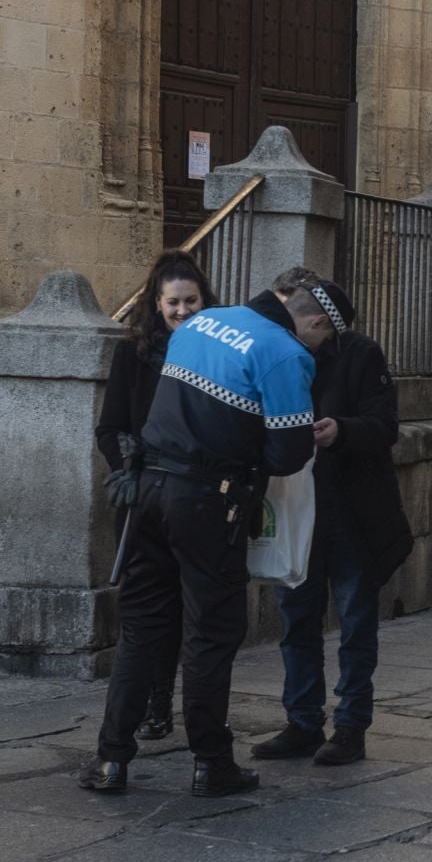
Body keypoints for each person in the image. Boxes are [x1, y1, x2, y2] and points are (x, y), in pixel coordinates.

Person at [81, 279, 331, 798]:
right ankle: (212, 762)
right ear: (315, 324)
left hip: (148, 488)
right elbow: (288, 454)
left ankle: (110, 759)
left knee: (142, 628)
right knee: (211, 634)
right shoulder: (284, 353)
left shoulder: (203, 323)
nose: (318, 351)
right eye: (323, 340)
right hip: (207, 501)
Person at [250, 270, 412, 769]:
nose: (321, 343)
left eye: (323, 335)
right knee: (296, 618)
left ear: (323, 322)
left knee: (356, 621)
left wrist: (340, 430)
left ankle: (350, 726)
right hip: (297, 507)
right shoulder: (276, 348)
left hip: (351, 510)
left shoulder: (361, 354)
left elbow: (385, 426)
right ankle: (302, 721)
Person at [95, 250, 215, 742]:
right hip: (144, 496)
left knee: (195, 610)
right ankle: (153, 704)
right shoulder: (134, 353)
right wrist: (128, 471)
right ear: (156, 303)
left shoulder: (215, 350)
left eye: (191, 301)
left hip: (199, 495)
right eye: (173, 303)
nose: (183, 311)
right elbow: (110, 427)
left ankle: (181, 711)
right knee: (146, 610)